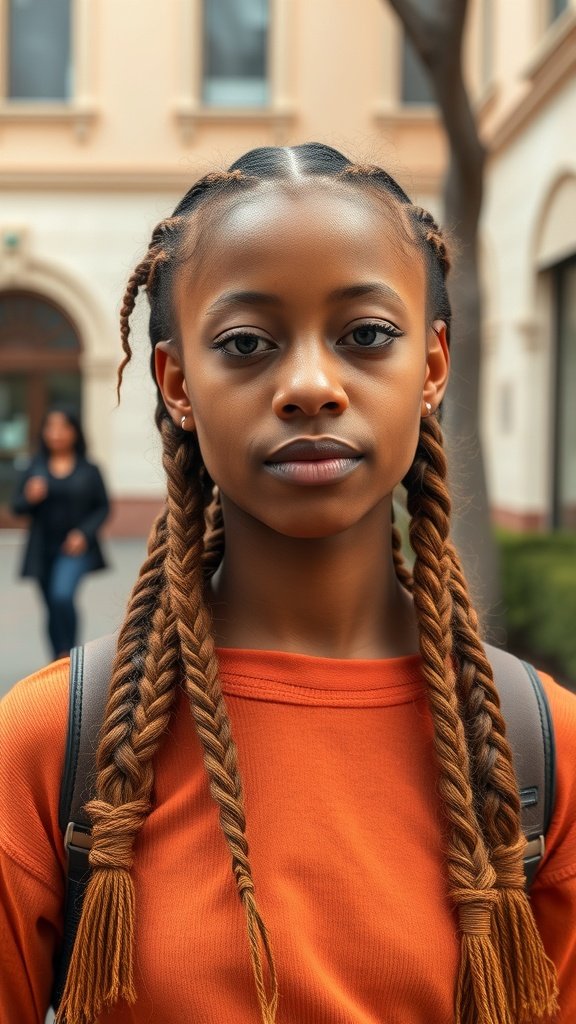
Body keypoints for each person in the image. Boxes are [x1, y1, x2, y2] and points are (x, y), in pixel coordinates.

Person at [0, 144, 575, 1024]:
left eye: (366, 336)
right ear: (177, 383)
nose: (310, 387)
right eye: (247, 343)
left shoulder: (548, 754)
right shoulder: (46, 747)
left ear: (431, 367)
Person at [11, 408, 110, 659]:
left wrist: (84, 533)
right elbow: (17, 507)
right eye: (50, 427)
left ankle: (71, 654)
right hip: (42, 548)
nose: (56, 434)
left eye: (63, 427)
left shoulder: (89, 469)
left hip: (74, 547)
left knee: (62, 595)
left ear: (75, 432)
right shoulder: (35, 467)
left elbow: (103, 507)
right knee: (52, 606)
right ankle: (58, 659)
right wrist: (29, 497)